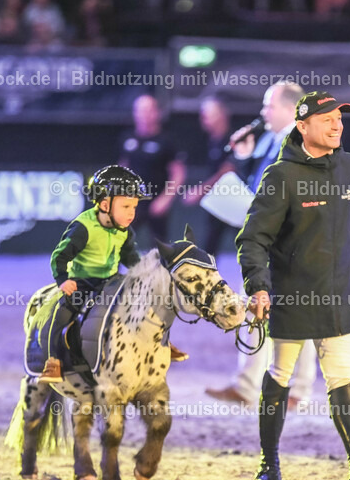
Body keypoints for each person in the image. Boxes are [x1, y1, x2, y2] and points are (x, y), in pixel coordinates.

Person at [236, 91, 350, 480]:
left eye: (340, 119)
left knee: (343, 380)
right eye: (327, 119)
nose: (336, 126)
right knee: (279, 377)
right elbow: (252, 240)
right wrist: (258, 288)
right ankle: (268, 466)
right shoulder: (280, 175)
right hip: (292, 297)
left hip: (340, 295)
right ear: (302, 126)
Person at [204, 82, 318, 408]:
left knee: (298, 317)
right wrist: (243, 157)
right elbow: (258, 186)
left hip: (290, 244)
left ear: (289, 109)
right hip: (264, 243)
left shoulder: (301, 144)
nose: (263, 112)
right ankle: (246, 386)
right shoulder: (270, 140)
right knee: (255, 310)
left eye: (269, 106)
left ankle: (299, 390)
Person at [38, 165, 181, 384]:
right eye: (126, 206)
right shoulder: (83, 227)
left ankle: (160, 344)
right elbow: (60, 256)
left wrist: (146, 272)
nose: (132, 213)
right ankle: (52, 362)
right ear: (105, 204)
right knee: (60, 315)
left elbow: (130, 256)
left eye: (134, 206)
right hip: (82, 284)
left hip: (112, 282)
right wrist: (63, 280)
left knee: (152, 303)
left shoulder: (124, 229)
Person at [117, 94, 187, 243]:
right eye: (140, 110)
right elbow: (123, 166)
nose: (143, 115)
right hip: (132, 203)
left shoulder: (166, 141)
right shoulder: (127, 139)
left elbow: (178, 173)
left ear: (156, 113)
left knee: (158, 248)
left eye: (148, 110)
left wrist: (166, 198)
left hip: (156, 202)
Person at [184, 96, 235, 256]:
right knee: (209, 247)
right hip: (217, 204)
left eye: (207, 114)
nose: (203, 119)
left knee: (249, 246)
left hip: (236, 204)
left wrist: (200, 190)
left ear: (220, 115)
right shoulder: (211, 141)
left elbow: (228, 170)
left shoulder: (233, 140)